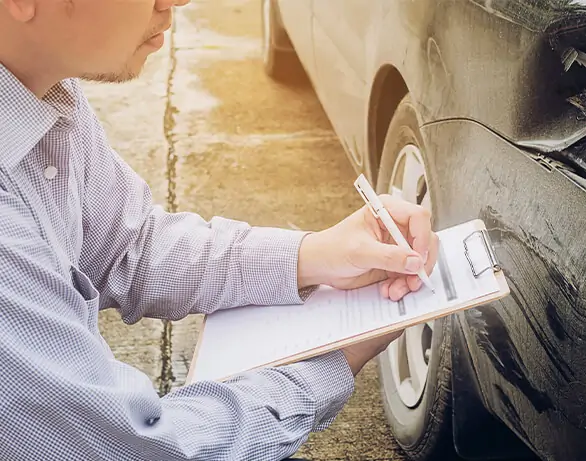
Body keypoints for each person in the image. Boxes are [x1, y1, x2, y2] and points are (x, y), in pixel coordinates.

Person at [0, 0, 439, 459]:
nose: (178, 1)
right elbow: (139, 450)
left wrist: (315, 256)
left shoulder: (46, 93)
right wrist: (330, 361)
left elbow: (129, 247)